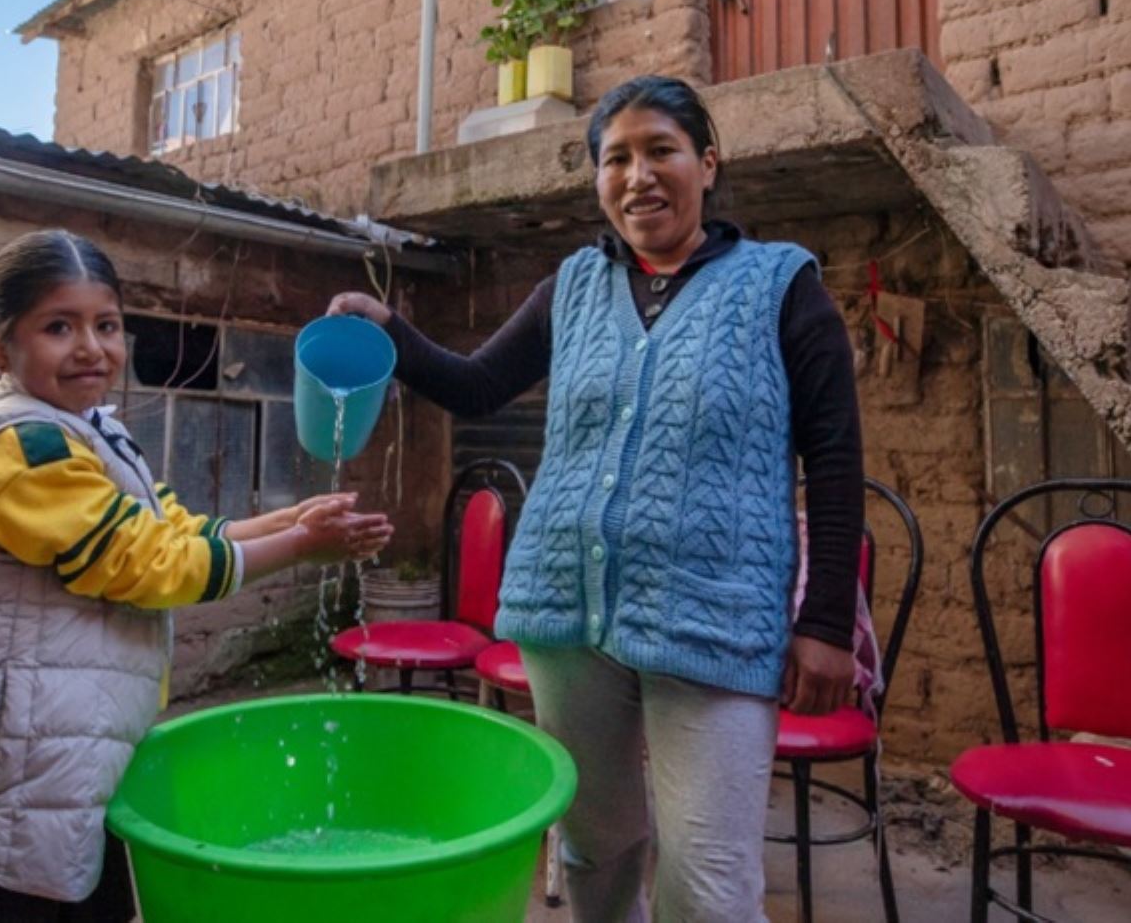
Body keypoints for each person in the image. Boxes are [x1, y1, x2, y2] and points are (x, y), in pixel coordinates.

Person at [329, 75, 865, 922]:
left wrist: (827, 623)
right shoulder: (572, 288)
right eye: (616, 158)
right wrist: (390, 332)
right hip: (565, 616)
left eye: (661, 151)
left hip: (716, 617)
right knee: (595, 851)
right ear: (596, 179)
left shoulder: (780, 285)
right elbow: (477, 388)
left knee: (713, 883)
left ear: (708, 164)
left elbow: (835, 458)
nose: (638, 176)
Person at [0, 229, 391, 922]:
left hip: (60, 754)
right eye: (58, 327)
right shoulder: (20, 449)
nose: (91, 347)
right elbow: (143, 564)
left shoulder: (85, 429)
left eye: (107, 325)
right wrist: (302, 547)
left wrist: (288, 522)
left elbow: (169, 529)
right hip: (10, 773)